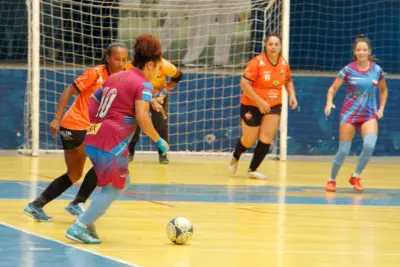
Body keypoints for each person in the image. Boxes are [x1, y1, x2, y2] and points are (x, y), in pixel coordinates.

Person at [65, 34, 169, 244]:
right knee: (116, 186)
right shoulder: (145, 85)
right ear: (150, 64)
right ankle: (80, 226)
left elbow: (94, 100)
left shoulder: (116, 77)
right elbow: (141, 117)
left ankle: (88, 220)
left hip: (93, 136)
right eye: (159, 68)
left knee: (116, 182)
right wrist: (159, 140)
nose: (159, 72)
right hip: (112, 141)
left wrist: (98, 123)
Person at [24, 42, 129, 221]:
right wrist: (57, 118)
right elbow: (68, 91)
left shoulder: (121, 80)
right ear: (108, 58)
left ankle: (36, 205)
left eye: (124, 60)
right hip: (76, 126)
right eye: (117, 59)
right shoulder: (95, 74)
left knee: (74, 173)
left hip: (81, 128)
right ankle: (77, 203)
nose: (121, 63)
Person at [228, 33, 298, 179]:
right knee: (249, 139)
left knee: (266, 137)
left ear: (280, 47)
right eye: (270, 44)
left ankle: (252, 169)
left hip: (273, 105)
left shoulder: (283, 63)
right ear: (265, 46)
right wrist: (259, 101)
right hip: (252, 104)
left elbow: (288, 80)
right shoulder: (256, 62)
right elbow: (244, 83)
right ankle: (236, 156)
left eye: (276, 44)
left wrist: (292, 95)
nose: (273, 47)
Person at [324, 34, 388, 192]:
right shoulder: (347, 70)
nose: (361, 52)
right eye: (359, 50)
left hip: (369, 115)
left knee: (369, 145)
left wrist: (381, 109)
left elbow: (384, 90)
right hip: (350, 115)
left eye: (364, 50)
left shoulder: (377, 70)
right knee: (344, 150)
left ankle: (356, 176)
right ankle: (332, 180)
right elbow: (332, 89)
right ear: (354, 51)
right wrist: (329, 102)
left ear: (369, 51)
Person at [126, 58, 182, 164]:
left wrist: (167, 87)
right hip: (139, 95)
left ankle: (163, 153)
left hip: (158, 97)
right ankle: (130, 151)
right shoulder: (132, 65)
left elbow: (178, 75)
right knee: (135, 122)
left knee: (160, 124)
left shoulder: (165, 65)